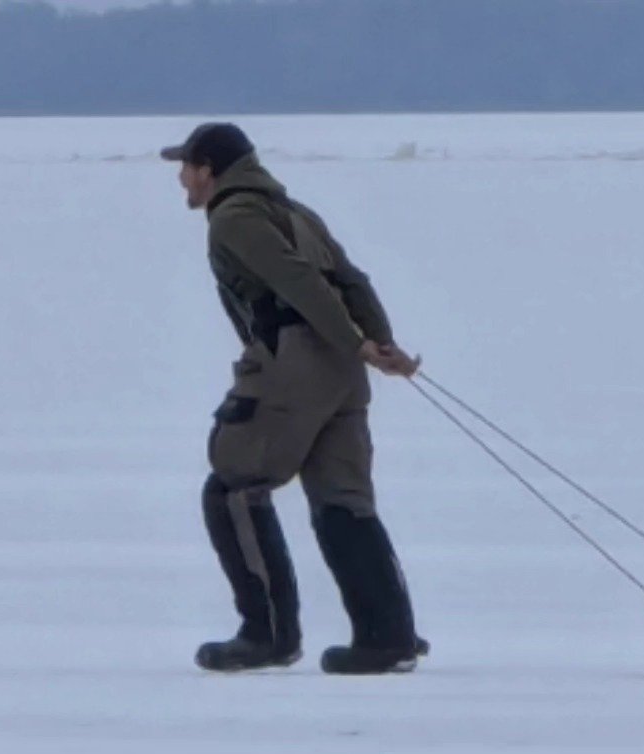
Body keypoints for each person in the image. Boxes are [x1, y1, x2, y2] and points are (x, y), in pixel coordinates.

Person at [160, 123, 426, 674]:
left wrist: (361, 343)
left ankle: (267, 636)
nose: (181, 178)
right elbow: (351, 280)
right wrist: (377, 344)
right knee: (342, 500)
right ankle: (386, 637)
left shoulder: (234, 217)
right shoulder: (296, 211)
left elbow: (298, 280)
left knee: (233, 487)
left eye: (185, 166)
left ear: (209, 169)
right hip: (343, 372)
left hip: (296, 363)